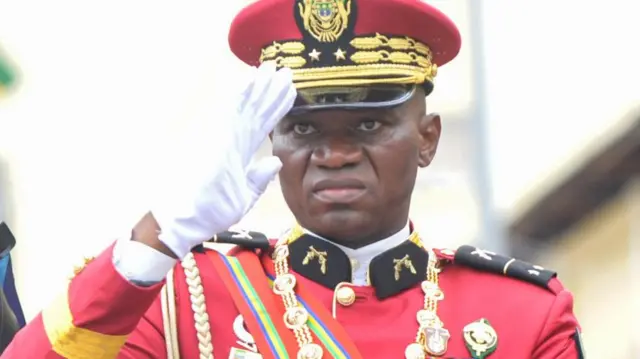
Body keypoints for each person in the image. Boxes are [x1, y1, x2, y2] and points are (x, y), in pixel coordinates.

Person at [2, 0, 586, 358]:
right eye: (303, 129)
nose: (334, 154)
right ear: (273, 140)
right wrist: (162, 235)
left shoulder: (523, 315)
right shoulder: (188, 299)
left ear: (427, 138)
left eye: (367, 123)